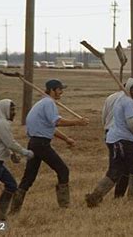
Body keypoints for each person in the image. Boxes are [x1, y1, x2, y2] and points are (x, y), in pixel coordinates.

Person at [9, 79, 89, 215]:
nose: (61, 92)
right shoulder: (49, 103)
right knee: (63, 170)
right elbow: (56, 122)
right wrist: (77, 122)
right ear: (52, 90)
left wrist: (66, 139)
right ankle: (64, 207)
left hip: (34, 143)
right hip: (41, 145)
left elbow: (49, 127)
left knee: (28, 178)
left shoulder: (42, 103)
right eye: (59, 89)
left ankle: (13, 211)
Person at [85, 78, 133, 207]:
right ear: (128, 89)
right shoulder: (129, 102)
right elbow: (131, 122)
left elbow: (131, 120)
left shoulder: (123, 100)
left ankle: (95, 197)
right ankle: (132, 200)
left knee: (116, 170)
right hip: (122, 140)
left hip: (113, 138)